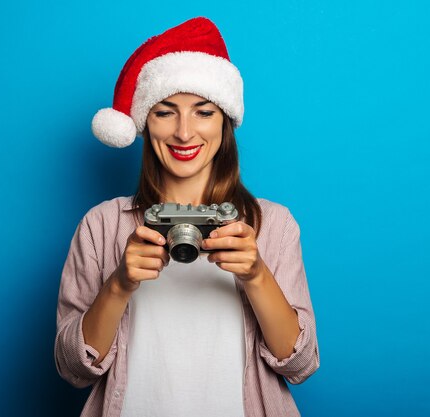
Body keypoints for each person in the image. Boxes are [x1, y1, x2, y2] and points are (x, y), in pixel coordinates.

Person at [55, 17, 319, 417]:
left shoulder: (273, 225)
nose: (183, 132)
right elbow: (72, 370)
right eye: (165, 112)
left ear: (225, 121)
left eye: (203, 112)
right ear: (145, 122)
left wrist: (256, 275)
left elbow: (300, 366)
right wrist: (119, 283)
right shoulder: (103, 225)